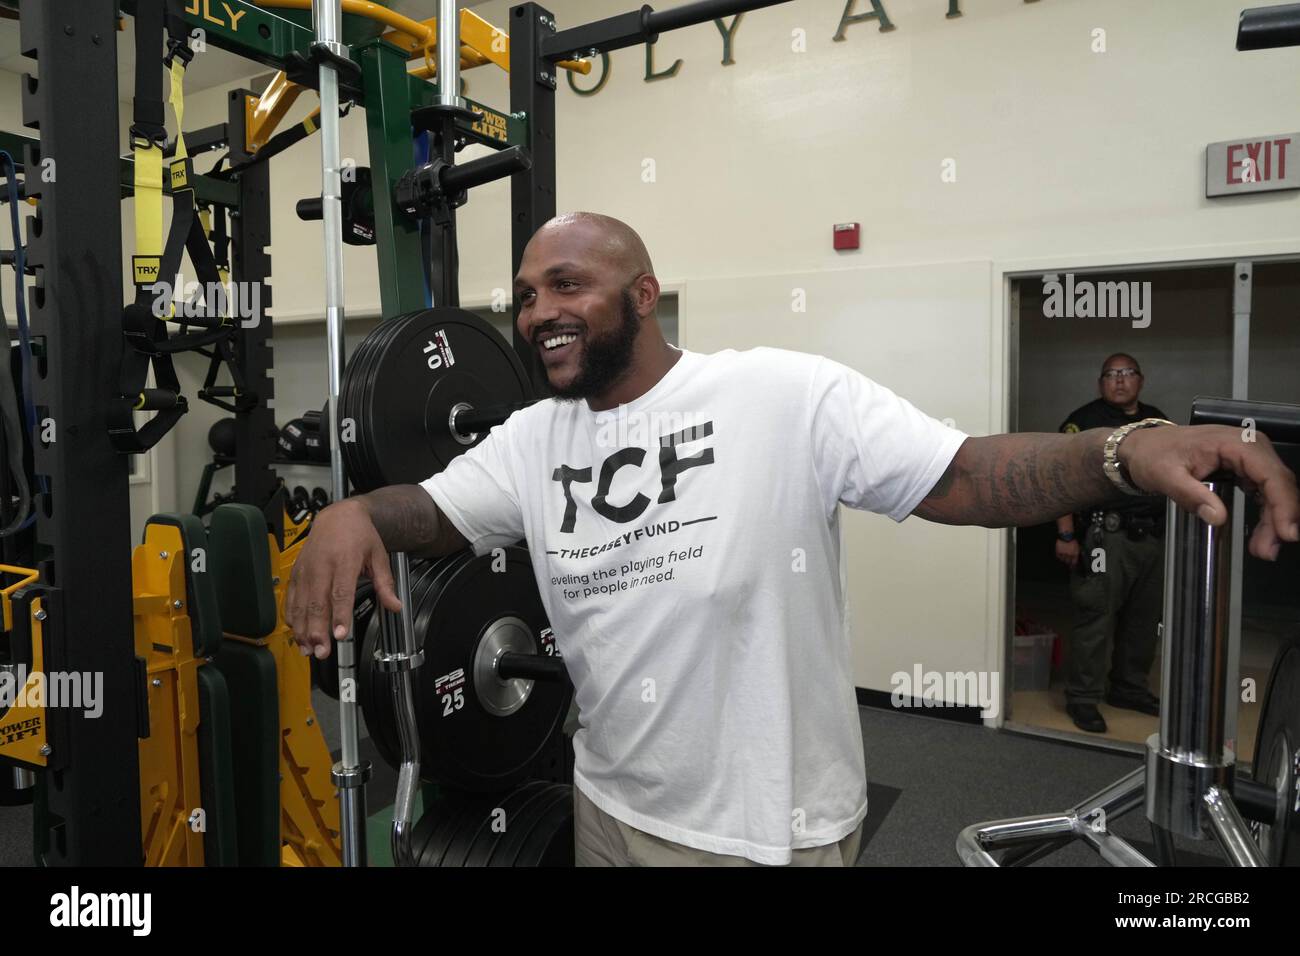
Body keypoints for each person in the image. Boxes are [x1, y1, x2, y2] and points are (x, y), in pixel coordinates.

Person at [287, 213, 1299, 867]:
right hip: (604, 806)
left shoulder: (778, 391)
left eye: (566, 285)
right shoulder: (531, 436)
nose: (538, 313)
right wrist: (357, 511)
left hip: (766, 831)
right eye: (524, 295)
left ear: (640, 293)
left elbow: (963, 473)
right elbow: (439, 508)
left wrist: (1123, 451)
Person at [1055, 355, 1170, 734]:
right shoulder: (1082, 422)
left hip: (1151, 538)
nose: (1120, 381)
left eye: (1127, 374)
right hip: (1106, 538)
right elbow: (1061, 481)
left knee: (1144, 619)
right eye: (1111, 375)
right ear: (1100, 382)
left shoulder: (1156, 421)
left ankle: (1129, 688)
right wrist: (1066, 534)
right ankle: (1083, 697)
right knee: (1095, 615)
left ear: (1141, 379)